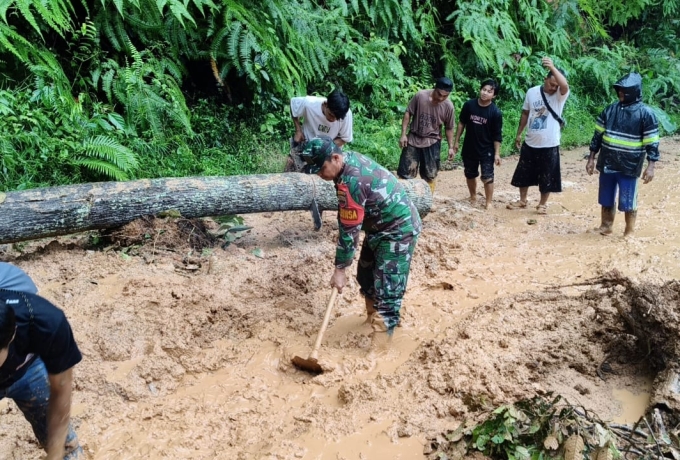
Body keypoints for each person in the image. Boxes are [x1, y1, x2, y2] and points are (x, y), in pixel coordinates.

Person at [300, 137, 422, 344]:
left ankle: (381, 348)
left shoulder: (352, 182)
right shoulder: (346, 163)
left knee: (387, 290)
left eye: (321, 169)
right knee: (366, 276)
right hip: (378, 227)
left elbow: (349, 232)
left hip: (398, 230)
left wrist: (339, 269)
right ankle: (370, 319)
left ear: (336, 158)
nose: (320, 175)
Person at [1, 264, 83, 460]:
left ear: (11, 336)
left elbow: (61, 390)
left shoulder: (45, 323)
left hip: (28, 368)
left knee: (64, 450)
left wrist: (55, 455)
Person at [586, 73, 659, 237]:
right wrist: (591, 158)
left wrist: (651, 166)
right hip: (607, 162)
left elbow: (652, 142)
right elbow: (597, 136)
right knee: (606, 196)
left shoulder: (646, 114)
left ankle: (629, 231)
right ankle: (606, 226)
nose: (620, 93)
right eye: (619, 90)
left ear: (634, 91)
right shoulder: (610, 110)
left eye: (624, 91)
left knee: (628, 199)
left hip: (630, 165)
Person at [507, 57, 569, 214]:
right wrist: (519, 133)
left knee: (547, 176)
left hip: (550, 143)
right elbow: (525, 113)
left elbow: (564, 85)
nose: (554, 88)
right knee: (524, 173)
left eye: (556, 86)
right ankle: (522, 200)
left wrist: (553, 67)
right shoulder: (532, 92)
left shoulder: (559, 96)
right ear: (545, 79)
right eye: (551, 84)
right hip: (530, 141)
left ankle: (542, 204)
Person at [397, 77, 456, 193]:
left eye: (445, 96)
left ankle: (428, 200)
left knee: (430, 174)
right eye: (439, 94)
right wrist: (403, 134)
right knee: (406, 173)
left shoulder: (448, 106)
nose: (441, 98)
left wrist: (450, 147)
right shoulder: (420, 96)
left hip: (432, 141)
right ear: (435, 87)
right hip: (413, 138)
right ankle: (404, 200)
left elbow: (449, 127)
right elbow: (408, 112)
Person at [452, 79, 503, 209]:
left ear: (494, 95)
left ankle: (489, 203)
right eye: (484, 89)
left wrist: (497, 154)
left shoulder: (495, 113)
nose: (485, 93)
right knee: (470, 173)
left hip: (487, 150)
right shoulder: (469, 105)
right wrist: (456, 142)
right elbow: (462, 123)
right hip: (470, 147)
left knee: (488, 176)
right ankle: (473, 196)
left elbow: (497, 135)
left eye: (489, 91)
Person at [285, 88, 353, 172]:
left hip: (329, 151)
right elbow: (293, 104)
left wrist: (324, 148)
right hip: (306, 143)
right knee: (291, 167)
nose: (333, 119)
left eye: (337, 118)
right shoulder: (309, 104)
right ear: (325, 104)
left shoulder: (346, 115)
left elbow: (344, 139)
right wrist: (298, 130)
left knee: (327, 177)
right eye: (331, 115)